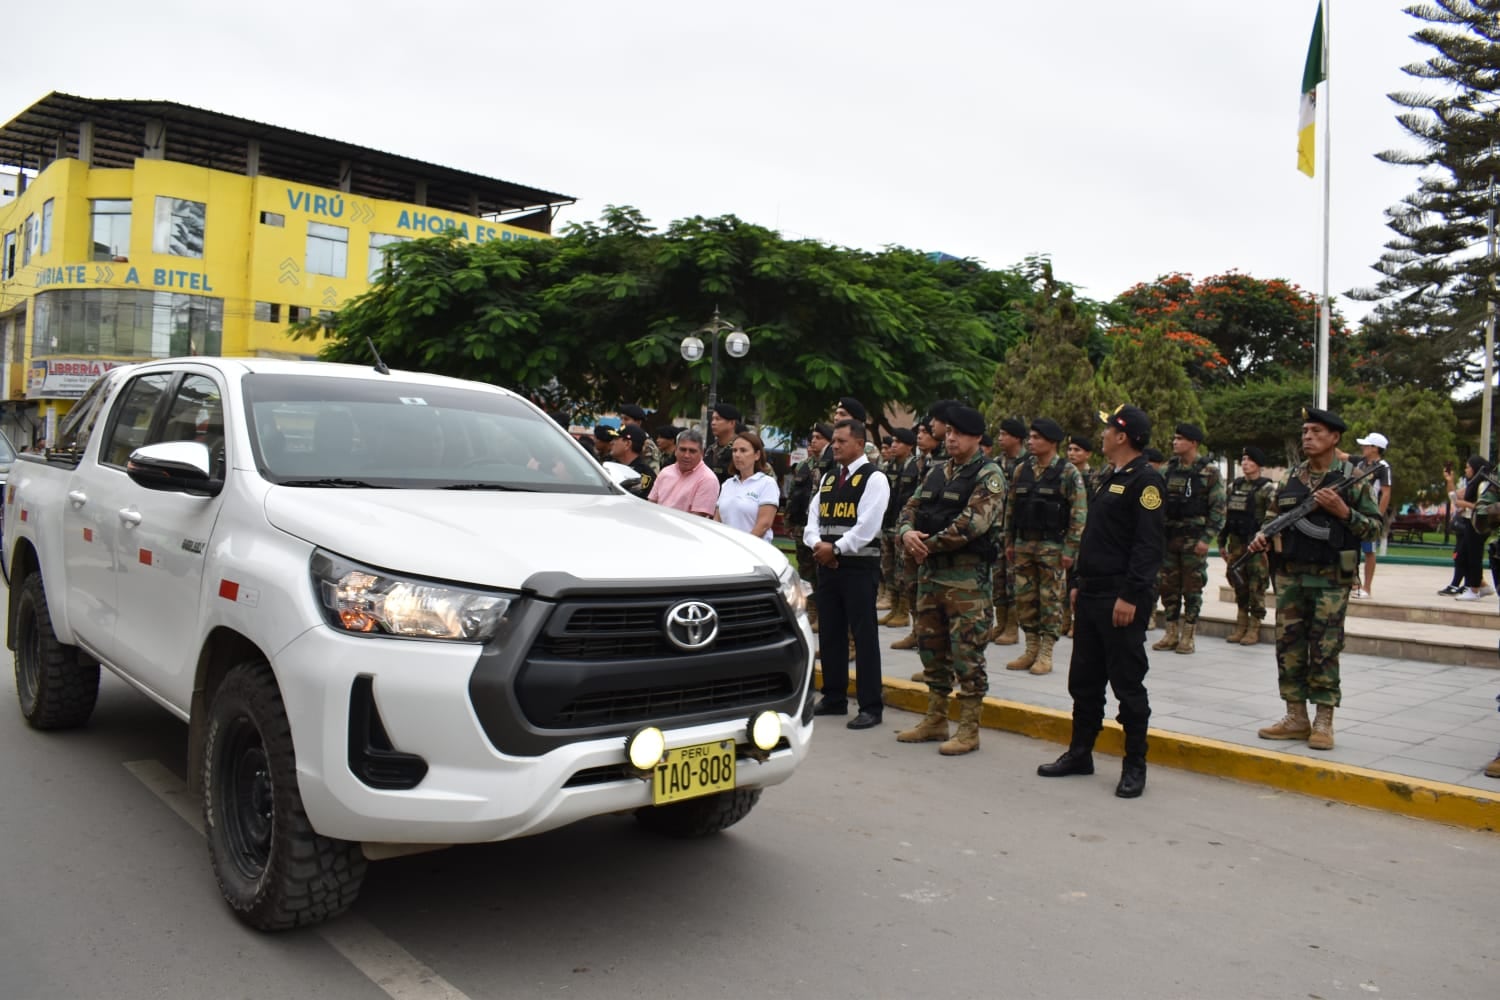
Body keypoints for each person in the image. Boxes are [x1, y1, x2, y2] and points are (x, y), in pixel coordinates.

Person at [1037, 404, 1165, 798]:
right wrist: (1076, 581)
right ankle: (1080, 753)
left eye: (1109, 428)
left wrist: (1130, 596)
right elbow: (1092, 536)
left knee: (1128, 685)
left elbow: (1148, 547)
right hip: (1092, 594)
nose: (1103, 434)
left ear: (1123, 436)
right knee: (1084, 682)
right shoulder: (1107, 477)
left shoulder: (1146, 483)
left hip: (1119, 598)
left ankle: (1134, 764)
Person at [1250, 408, 1383, 751]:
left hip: (1330, 579)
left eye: (1316, 431)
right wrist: (1262, 536)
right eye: (1305, 431)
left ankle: (1324, 720)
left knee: (1324, 648)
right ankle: (1295, 716)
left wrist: (1342, 511)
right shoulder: (1291, 477)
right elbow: (1271, 517)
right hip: (1291, 576)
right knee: (1288, 648)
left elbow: (1374, 527)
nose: (1307, 436)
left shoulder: (1353, 477)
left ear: (1334, 437)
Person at [894, 405, 1005, 756]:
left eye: (959, 434)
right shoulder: (938, 472)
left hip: (966, 583)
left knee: (967, 654)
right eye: (949, 432)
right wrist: (907, 533)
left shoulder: (989, 475)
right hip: (931, 577)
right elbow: (908, 509)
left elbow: (973, 524)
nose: (951, 438)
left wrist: (923, 544)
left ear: (976, 438)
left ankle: (969, 729)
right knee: (932, 649)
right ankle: (936, 719)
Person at [805, 419, 891, 730]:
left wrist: (836, 549)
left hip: (857, 566)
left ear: (858, 443)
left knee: (863, 636)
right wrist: (817, 544)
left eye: (841, 441)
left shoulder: (874, 478)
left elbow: (867, 526)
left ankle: (870, 705)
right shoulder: (829, 478)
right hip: (827, 566)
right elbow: (812, 518)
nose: (835, 446)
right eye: (834, 441)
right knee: (830, 633)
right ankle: (834, 697)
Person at [1003, 418, 1087, 676]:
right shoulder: (1021, 470)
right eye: (1029, 437)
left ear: (1052, 442)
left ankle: (1046, 652)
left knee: (1050, 600)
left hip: (1053, 546)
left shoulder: (1068, 472)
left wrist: (1070, 549)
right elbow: (1010, 508)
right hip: (1024, 544)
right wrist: (1008, 541)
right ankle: (1031, 648)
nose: (1030, 442)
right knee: (1025, 599)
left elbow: (1079, 514)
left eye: (1036, 437)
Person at [1151, 423, 1225, 655]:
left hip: (1194, 539)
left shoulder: (1209, 471)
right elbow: (1155, 502)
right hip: (1169, 537)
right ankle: (1171, 632)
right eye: (1174, 438)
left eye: (1180, 439)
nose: (1175, 442)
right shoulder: (1166, 470)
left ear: (1193, 443)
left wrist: (1207, 538)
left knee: (1192, 587)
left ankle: (1188, 634)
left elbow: (1219, 508)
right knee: (1168, 585)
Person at [1219, 446, 1275, 644]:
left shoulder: (1267, 488)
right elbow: (1227, 516)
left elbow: (1274, 518)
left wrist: (1267, 543)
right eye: (1243, 459)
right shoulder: (1235, 486)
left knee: (1256, 586)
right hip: (1236, 544)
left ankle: (1254, 628)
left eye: (1249, 460)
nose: (1245, 463)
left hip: (1256, 548)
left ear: (1258, 464)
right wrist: (1221, 542)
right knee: (1239, 585)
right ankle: (1240, 625)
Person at [786, 423, 833, 632]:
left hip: (820, 529)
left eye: (819, 437)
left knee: (820, 573)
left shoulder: (830, 465)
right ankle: (811, 610)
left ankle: (823, 613)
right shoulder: (803, 465)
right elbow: (794, 496)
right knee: (805, 572)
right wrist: (789, 520)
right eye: (812, 437)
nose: (813, 441)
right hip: (801, 526)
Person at [989, 416, 1028, 647]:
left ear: (1017, 439)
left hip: (1015, 531)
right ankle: (1001, 622)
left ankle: (1013, 626)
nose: (1000, 439)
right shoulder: (995, 463)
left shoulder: (1028, 465)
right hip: (996, 530)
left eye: (1004, 435)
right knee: (998, 578)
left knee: (1013, 580)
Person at [880, 427, 921, 634]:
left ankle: (903, 612)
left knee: (903, 569)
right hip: (887, 524)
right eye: (893, 441)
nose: (893, 445)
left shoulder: (916, 466)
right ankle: (894, 607)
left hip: (903, 526)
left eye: (899, 442)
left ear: (909, 446)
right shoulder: (888, 466)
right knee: (888, 568)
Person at [1444, 455, 1494, 601]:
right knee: (1461, 556)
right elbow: (1455, 498)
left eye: (1468, 467)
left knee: (1474, 556)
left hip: (1479, 524)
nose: (1466, 470)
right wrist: (1450, 481)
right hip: (1469, 522)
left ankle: (1474, 590)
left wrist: (1465, 505)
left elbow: (1483, 507)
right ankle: (1482, 585)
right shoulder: (1473, 483)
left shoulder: (1485, 485)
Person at [716, 431, 780, 541]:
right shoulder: (727, 484)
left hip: (752, 550)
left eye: (743, 450)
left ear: (757, 455)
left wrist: (743, 545)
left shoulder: (767, 483)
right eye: (734, 450)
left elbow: (764, 524)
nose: (737, 455)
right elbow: (717, 519)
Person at [1352, 431, 1392, 599]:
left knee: (1369, 551)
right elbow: (1341, 456)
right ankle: (1355, 584)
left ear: (1375, 448)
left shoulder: (1383, 467)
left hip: (1370, 514)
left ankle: (1367, 588)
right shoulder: (1361, 463)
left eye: (1367, 445)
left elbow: (1386, 492)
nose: (1363, 447)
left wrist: (1378, 516)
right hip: (1354, 512)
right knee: (1351, 549)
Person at [646, 429, 719, 516]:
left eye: (692, 451)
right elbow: (650, 505)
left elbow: (697, 519)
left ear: (702, 453)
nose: (686, 455)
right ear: (676, 450)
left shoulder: (708, 479)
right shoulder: (665, 472)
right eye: (683, 450)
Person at [609, 423, 656, 499]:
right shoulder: (611, 467)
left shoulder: (644, 475)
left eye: (616, 439)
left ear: (627, 444)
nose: (611, 443)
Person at [619, 404, 662, 473]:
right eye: (621, 419)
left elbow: (652, 473)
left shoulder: (647, 444)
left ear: (638, 422)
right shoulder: (621, 440)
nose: (622, 423)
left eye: (626, 419)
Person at [704, 403, 741, 482]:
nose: (713, 423)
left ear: (732, 423)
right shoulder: (710, 450)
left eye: (718, 419)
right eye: (712, 419)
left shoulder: (741, 449)